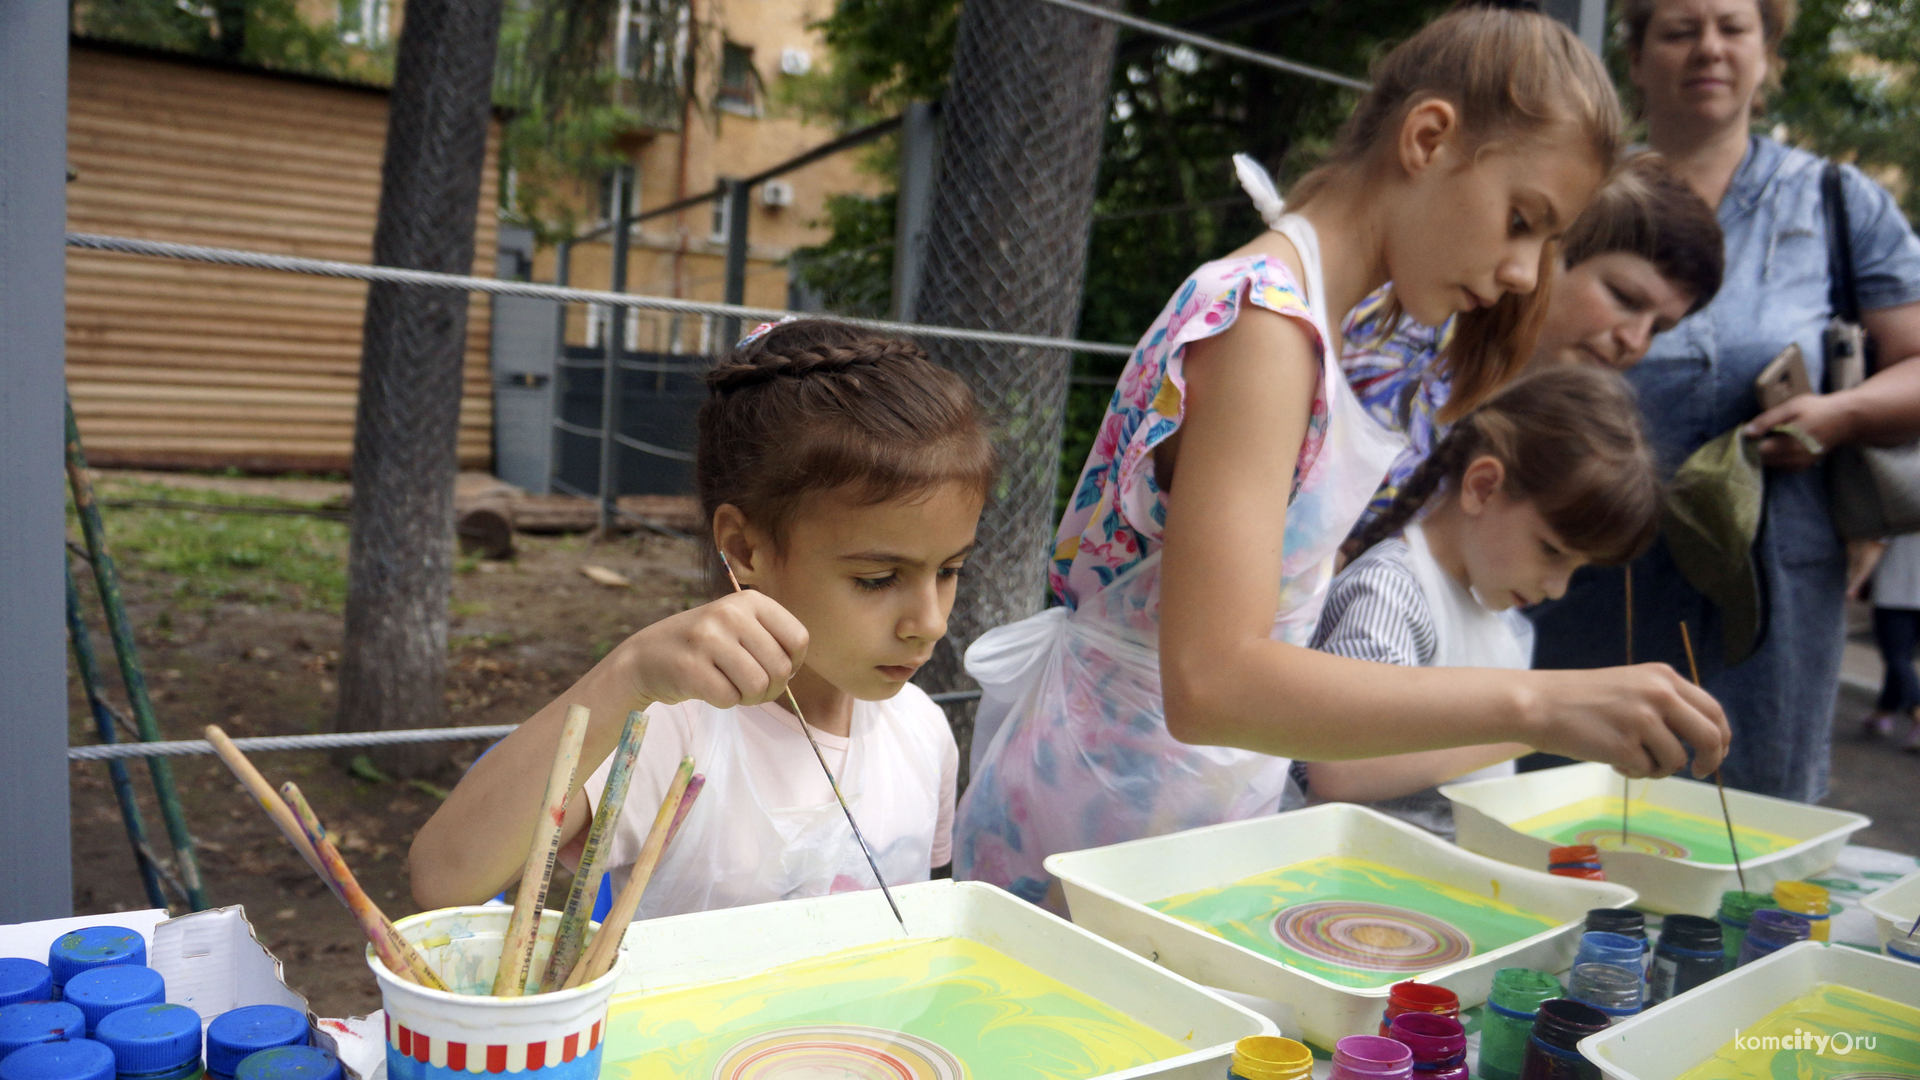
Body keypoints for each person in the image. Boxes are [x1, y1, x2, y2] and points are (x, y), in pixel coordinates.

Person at [954, 1, 1728, 911]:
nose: (1525, 272)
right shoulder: (1262, 323)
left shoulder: (1342, 330)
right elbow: (1214, 681)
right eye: (1522, 220)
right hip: (1097, 821)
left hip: (1184, 814)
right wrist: (1539, 705)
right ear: (1429, 137)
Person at [409, 319, 989, 917]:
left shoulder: (923, 732)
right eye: (877, 579)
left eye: (950, 570)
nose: (930, 621)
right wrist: (627, 675)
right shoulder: (675, 733)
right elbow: (444, 879)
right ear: (744, 549)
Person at [1531, 0, 1920, 801]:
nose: (1708, 48)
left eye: (1732, 27)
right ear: (1636, 58)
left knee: (1746, 822)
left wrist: (1839, 417)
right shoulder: (1582, 188)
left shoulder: (1839, 203)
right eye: (1679, 30)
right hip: (1584, 570)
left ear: (1767, 49)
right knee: (1561, 812)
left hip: (1770, 594)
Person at [1302, 366, 1664, 838]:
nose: (1557, 588)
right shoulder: (1391, 592)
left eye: (1577, 569)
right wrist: (1536, 725)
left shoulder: (1504, 619)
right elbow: (1341, 768)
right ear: (1482, 487)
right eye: (1551, 551)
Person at [1342, 151, 1724, 534]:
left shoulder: (1553, 434)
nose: (1635, 340)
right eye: (1624, 297)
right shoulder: (1401, 336)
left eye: (1659, 328)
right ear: (1552, 249)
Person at [1863, 534, 1920, 751]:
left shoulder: (1897, 503)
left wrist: (1855, 582)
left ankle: (1917, 709)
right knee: (1902, 657)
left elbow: (1875, 545)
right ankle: (1883, 713)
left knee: (1896, 657)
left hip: (1894, 593)